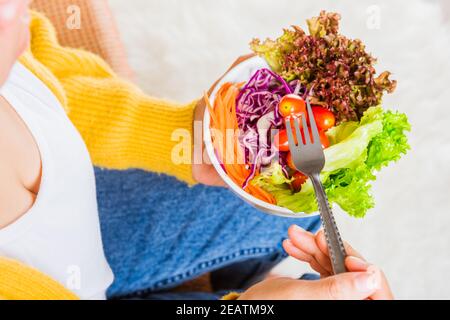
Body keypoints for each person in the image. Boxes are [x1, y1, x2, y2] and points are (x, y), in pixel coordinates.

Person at [0, 0, 392, 300]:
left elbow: (54, 80)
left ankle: (222, 280)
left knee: (294, 204)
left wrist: (183, 134)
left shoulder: (9, 22)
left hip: (82, 213)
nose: (17, 10)